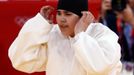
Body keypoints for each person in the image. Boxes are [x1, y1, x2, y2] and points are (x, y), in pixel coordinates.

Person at [8, 0, 122, 75]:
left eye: (68, 14)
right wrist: (39, 25)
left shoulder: (101, 34)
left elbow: (100, 67)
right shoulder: (54, 34)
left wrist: (79, 35)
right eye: (59, 13)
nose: (62, 19)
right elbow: (20, 60)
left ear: (83, 16)